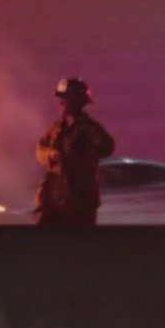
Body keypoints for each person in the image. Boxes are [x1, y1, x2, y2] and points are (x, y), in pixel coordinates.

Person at [33, 78, 116, 227]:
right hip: (52, 199)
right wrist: (50, 154)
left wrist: (83, 150)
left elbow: (107, 147)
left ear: (77, 102)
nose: (60, 104)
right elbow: (40, 150)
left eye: (64, 100)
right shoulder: (56, 128)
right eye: (60, 100)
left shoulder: (90, 128)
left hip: (78, 202)